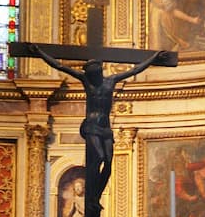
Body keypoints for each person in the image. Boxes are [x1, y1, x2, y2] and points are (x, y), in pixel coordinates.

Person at [26, 43, 172, 203]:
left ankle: (96, 197)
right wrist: (40, 52)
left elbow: (134, 70)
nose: (91, 74)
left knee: (109, 164)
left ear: (99, 70)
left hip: (105, 128)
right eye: (89, 72)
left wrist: (153, 58)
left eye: (94, 72)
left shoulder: (111, 81)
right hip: (92, 126)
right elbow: (60, 66)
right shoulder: (86, 82)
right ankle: (92, 197)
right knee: (100, 157)